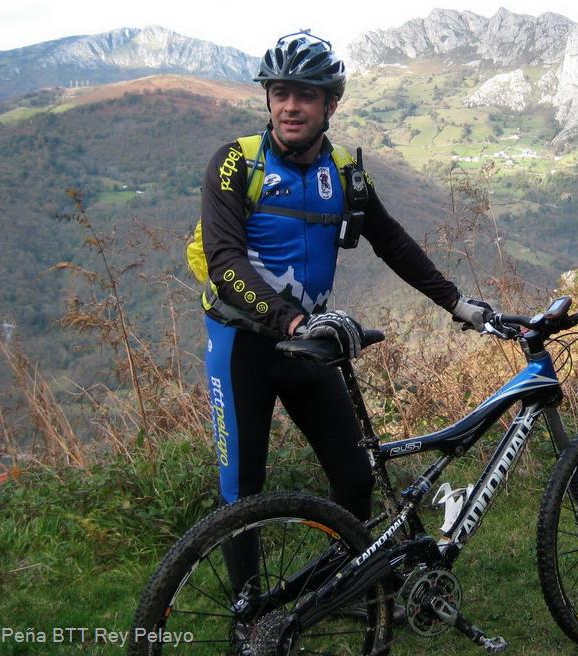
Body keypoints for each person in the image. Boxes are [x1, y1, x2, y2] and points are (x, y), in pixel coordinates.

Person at [199, 30, 491, 536]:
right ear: (268, 99)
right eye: (280, 93)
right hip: (241, 342)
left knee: (355, 479)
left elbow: (392, 242)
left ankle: (347, 580)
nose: (290, 107)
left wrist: (457, 304)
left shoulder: (343, 173)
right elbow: (224, 263)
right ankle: (246, 594)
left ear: (330, 105)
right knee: (242, 495)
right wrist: (293, 321)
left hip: (307, 343)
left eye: (306, 95)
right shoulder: (235, 163)